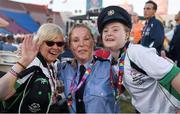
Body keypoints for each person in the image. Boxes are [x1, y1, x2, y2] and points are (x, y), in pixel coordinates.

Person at [97, 5, 180, 113]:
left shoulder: (136, 53)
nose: (109, 33)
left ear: (127, 35)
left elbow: (175, 75)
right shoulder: (113, 61)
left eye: (115, 29)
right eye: (105, 31)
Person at [0, 23, 68, 113]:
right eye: (50, 43)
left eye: (59, 44)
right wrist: (23, 61)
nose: (55, 47)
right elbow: (2, 93)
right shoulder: (31, 63)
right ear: (40, 43)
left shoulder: (54, 63)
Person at [58, 23, 119, 113]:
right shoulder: (63, 69)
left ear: (93, 41)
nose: (81, 44)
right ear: (70, 45)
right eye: (75, 40)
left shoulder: (109, 68)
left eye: (86, 39)